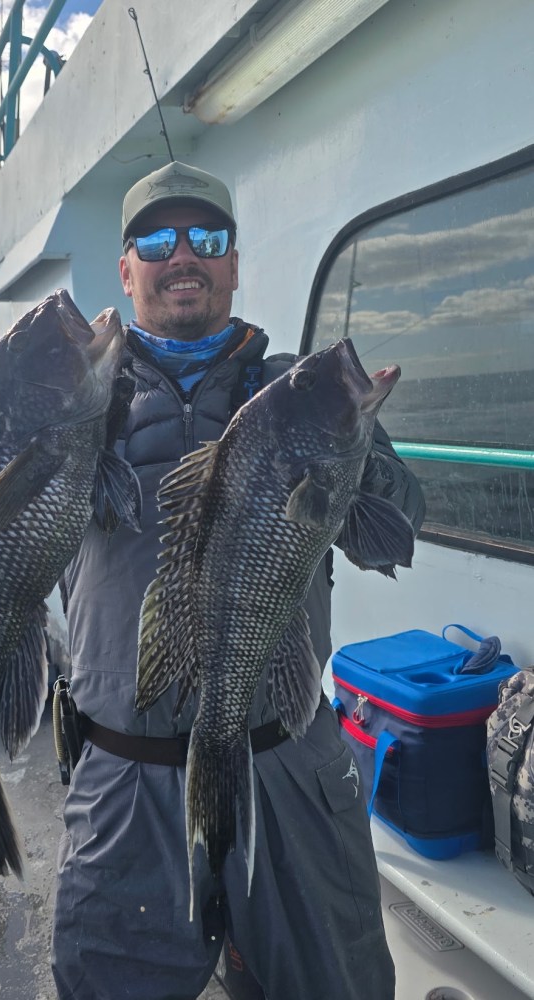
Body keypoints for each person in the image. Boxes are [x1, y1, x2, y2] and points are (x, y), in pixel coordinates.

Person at [50, 161, 426, 1000]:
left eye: (207, 238)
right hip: (124, 775)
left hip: (287, 759)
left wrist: (354, 459)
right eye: (155, 238)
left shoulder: (294, 386)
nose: (182, 255)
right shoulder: (73, 396)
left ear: (232, 262)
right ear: (125, 268)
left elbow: (393, 534)